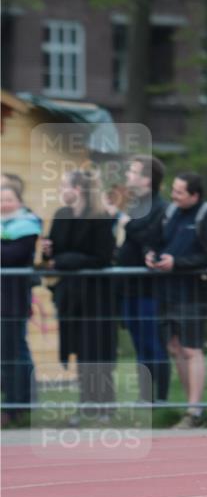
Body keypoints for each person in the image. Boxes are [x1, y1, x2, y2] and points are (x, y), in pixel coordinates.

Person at [146, 172, 207, 429]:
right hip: (167, 290)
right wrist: (150, 254)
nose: (174, 195)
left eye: (180, 192)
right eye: (174, 190)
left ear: (194, 195)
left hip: (193, 292)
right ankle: (190, 407)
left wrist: (178, 263)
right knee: (175, 347)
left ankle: (195, 410)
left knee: (192, 349)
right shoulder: (170, 213)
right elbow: (154, 240)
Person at [42, 169, 117, 421]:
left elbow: (102, 258)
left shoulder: (100, 217)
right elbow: (53, 258)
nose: (61, 189)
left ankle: (104, 405)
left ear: (78, 190)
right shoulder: (61, 215)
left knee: (97, 349)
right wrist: (47, 251)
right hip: (70, 295)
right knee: (79, 351)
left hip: (96, 295)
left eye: (64, 184)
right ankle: (86, 404)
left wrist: (63, 259)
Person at [106, 155, 169, 402]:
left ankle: (160, 397)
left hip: (148, 288)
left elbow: (149, 237)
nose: (128, 176)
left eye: (133, 172)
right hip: (129, 286)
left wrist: (123, 221)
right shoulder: (135, 205)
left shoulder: (158, 207)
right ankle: (146, 397)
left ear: (147, 179)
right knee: (140, 345)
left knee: (153, 343)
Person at [1, 182, 41, 425]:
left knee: (14, 353)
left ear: (19, 201)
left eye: (9, 199)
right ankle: (17, 402)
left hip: (13, 299)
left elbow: (11, 256)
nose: (5, 204)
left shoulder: (26, 225)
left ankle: (17, 405)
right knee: (8, 353)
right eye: (1, 199)